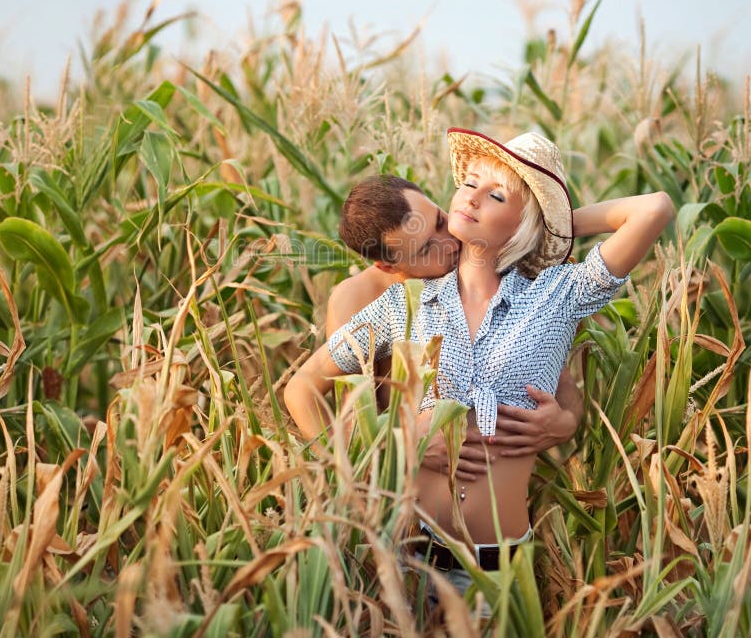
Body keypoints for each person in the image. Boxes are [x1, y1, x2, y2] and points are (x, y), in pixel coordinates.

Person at [284, 128, 674, 591]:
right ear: (389, 263)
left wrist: (549, 221)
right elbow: (311, 394)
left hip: (498, 569)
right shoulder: (392, 304)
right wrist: (394, 442)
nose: (452, 229)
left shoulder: (551, 294)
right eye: (468, 185)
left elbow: (654, 210)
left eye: (440, 219)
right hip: (407, 559)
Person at [326, 174, 584, 480]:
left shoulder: (483, 259)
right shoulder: (360, 298)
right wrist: (405, 448)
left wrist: (566, 423)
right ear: (388, 266)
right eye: (425, 250)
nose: (449, 244)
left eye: (438, 220)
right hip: (407, 500)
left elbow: (559, 381)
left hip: (498, 493)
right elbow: (351, 416)